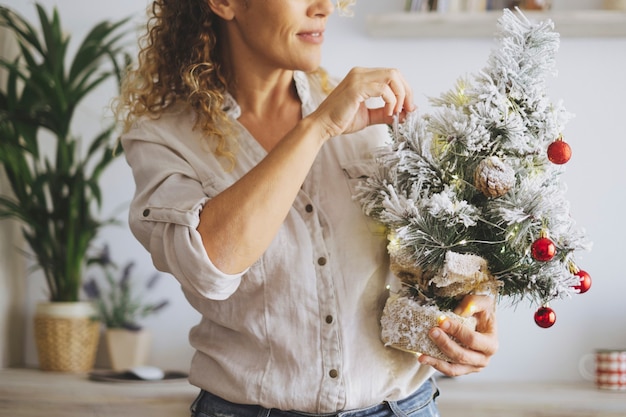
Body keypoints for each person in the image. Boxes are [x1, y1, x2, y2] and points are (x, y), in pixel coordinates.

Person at [117, 1, 498, 416]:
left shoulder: (372, 116)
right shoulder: (163, 139)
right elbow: (211, 266)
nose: (323, 8)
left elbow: (438, 251)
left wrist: (474, 308)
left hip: (401, 407)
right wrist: (316, 128)